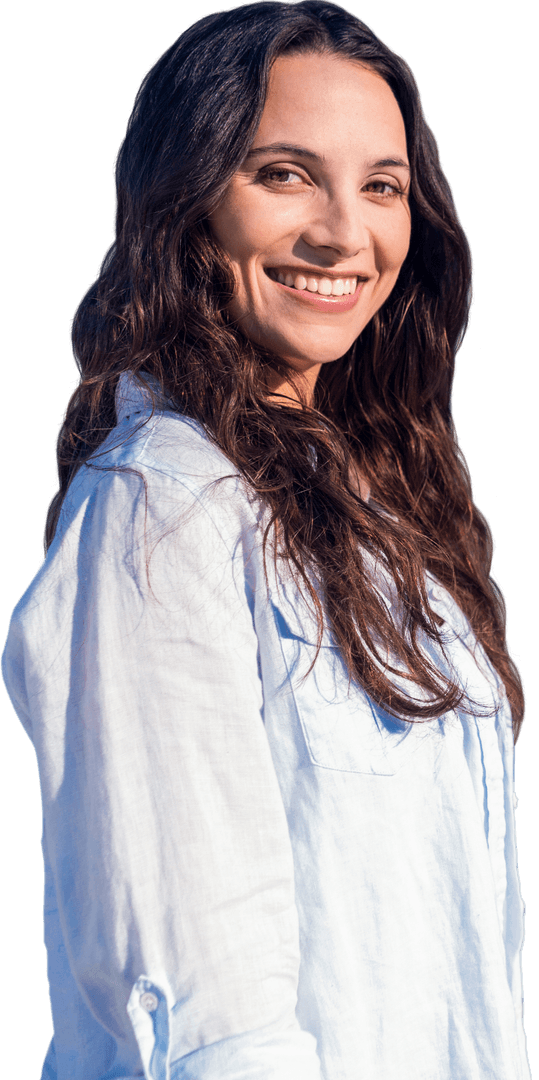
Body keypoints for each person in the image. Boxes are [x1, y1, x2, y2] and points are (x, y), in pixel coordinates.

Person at [1, 1, 531, 1077]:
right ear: (188, 205)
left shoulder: (388, 521)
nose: (345, 232)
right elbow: (200, 1004)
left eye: (380, 185)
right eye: (283, 173)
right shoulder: (165, 503)